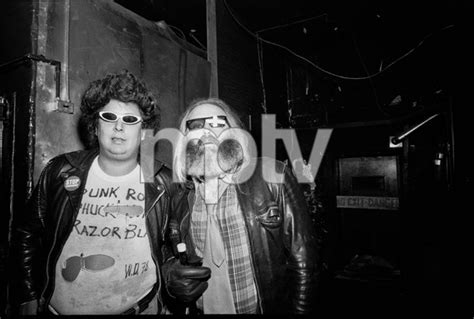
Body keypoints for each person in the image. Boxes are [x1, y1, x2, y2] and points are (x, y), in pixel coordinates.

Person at [8, 70, 210, 315]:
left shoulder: (164, 183)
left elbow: (172, 249)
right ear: (96, 125)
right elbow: (26, 234)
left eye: (130, 120)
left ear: (143, 130)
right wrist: (26, 297)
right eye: (109, 116)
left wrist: (173, 276)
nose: (118, 127)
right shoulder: (61, 171)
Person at [164, 97, 320, 314]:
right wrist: (171, 276)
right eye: (196, 125)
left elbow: (304, 262)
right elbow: (168, 254)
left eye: (218, 123)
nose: (207, 131)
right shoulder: (179, 197)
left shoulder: (271, 177)